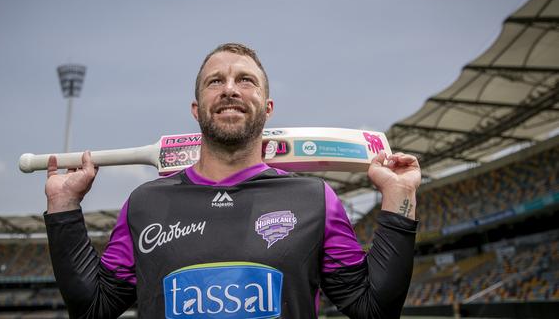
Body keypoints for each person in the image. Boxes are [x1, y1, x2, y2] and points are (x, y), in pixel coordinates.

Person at [44, 43, 420, 318]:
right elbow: (93, 307)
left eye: (245, 80)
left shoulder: (316, 200)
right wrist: (63, 208)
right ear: (196, 109)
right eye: (215, 81)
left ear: (267, 108)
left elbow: (374, 309)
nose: (229, 88)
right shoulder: (144, 203)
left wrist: (400, 198)